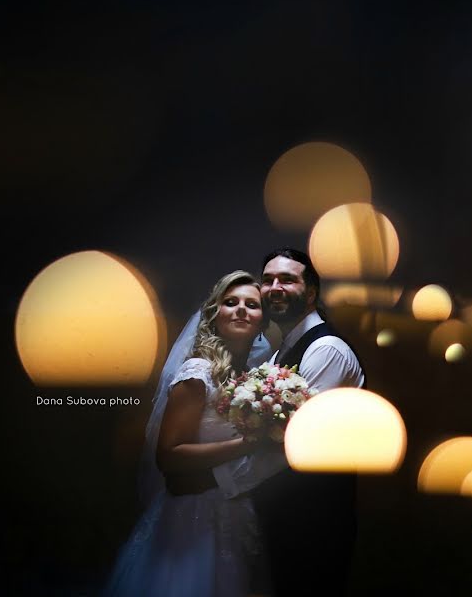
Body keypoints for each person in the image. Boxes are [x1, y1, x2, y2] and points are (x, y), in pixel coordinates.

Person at [165, 248, 365, 596]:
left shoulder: (326, 350)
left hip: (314, 519)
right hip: (278, 518)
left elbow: (291, 443)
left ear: (312, 292)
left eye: (287, 279)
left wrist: (211, 481)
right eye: (269, 279)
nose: (275, 287)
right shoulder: (281, 353)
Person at [103, 270, 274, 597]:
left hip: (233, 509)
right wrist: (246, 444)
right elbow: (169, 455)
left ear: (263, 322)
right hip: (193, 515)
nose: (241, 309)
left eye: (252, 304)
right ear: (215, 314)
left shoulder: (251, 378)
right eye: (230, 302)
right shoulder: (198, 372)